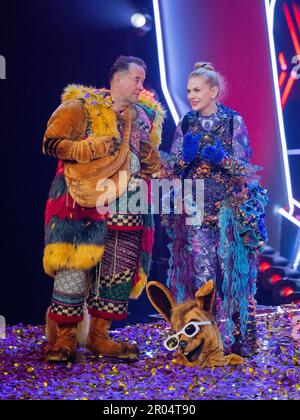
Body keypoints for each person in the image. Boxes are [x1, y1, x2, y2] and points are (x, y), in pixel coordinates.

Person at [42, 56, 164, 362]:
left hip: (130, 210)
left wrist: (151, 162)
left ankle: (99, 337)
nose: (140, 86)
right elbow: (50, 143)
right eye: (136, 79)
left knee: (117, 277)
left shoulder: (144, 119)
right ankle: (65, 340)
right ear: (118, 79)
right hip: (83, 208)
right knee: (72, 273)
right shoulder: (81, 108)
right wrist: (85, 148)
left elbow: (149, 163)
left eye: (142, 80)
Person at [163, 62, 268, 356]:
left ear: (214, 91)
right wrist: (183, 159)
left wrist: (222, 158)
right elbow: (172, 168)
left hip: (228, 212)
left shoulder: (233, 122)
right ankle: (208, 340)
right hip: (197, 209)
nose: (191, 95)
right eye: (188, 91)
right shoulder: (186, 122)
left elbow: (247, 168)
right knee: (203, 278)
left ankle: (243, 336)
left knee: (235, 275)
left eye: (197, 90)